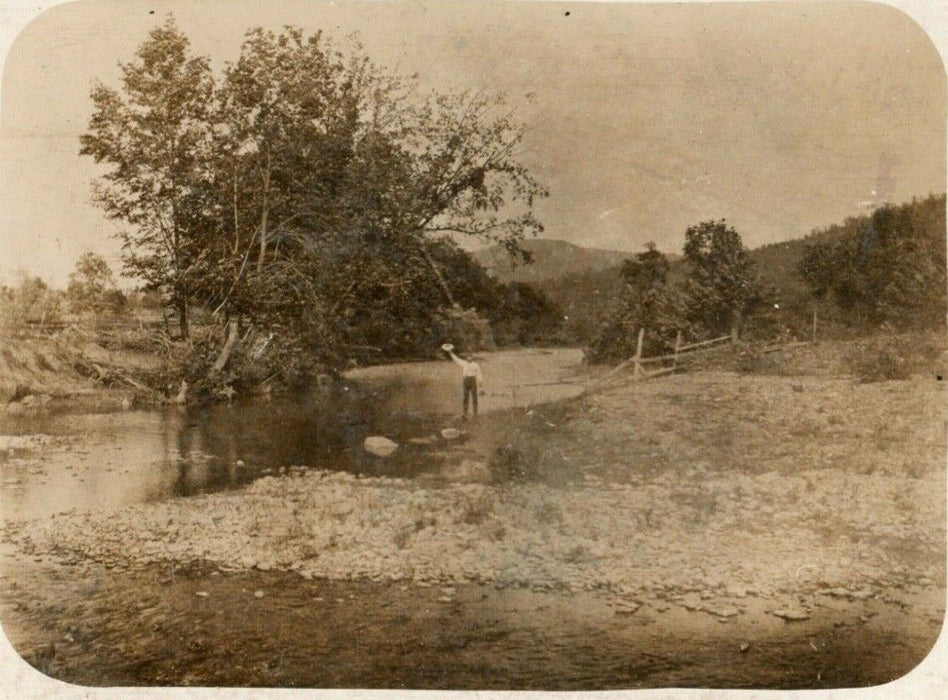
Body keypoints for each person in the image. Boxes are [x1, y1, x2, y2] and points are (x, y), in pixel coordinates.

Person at [445, 347, 484, 418]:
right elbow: (456, 359)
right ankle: (465, 413)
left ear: (472, 358)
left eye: (470, 357)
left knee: (474, 397)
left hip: (472, 381)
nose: (469, 358)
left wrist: (480, 381)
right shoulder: (463, 363)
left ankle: (475, 413)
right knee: (465, 397)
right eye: (468, 357)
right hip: (465, 381)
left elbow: (479, 373)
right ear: (466, 358)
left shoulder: (475, 365)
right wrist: (450, 352)